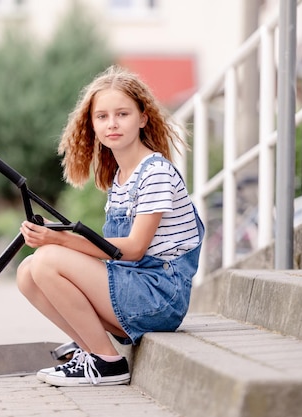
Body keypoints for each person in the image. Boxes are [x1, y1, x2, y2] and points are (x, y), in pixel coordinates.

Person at [16, 65, 204, 387]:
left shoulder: (155, 172)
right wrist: (56, 233)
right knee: (28, 272)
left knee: (47, 260)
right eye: (102, 116)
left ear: (143, 118)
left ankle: (108, 362)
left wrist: (59, 242)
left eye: (122, 114)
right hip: (134, 285)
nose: (111, 124)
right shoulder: (119, 178)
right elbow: (110, 252)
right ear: (92, 124)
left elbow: (131, 250)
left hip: (159, 297)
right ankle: (91, 351)